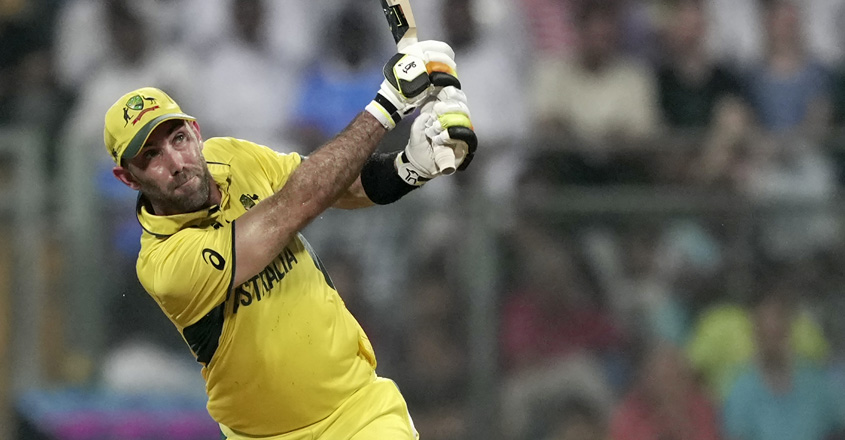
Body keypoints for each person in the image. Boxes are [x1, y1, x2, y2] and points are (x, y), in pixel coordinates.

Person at [101, 39, 476, 439]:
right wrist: (386, 107)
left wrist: (407, 168)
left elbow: (331, 184)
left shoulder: (231, 155)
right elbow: (294, 207)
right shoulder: (163, 265)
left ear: (195, 131)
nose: (176, 163)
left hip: (358, 410)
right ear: (127, 178)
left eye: (178, 139)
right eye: (151, 157)